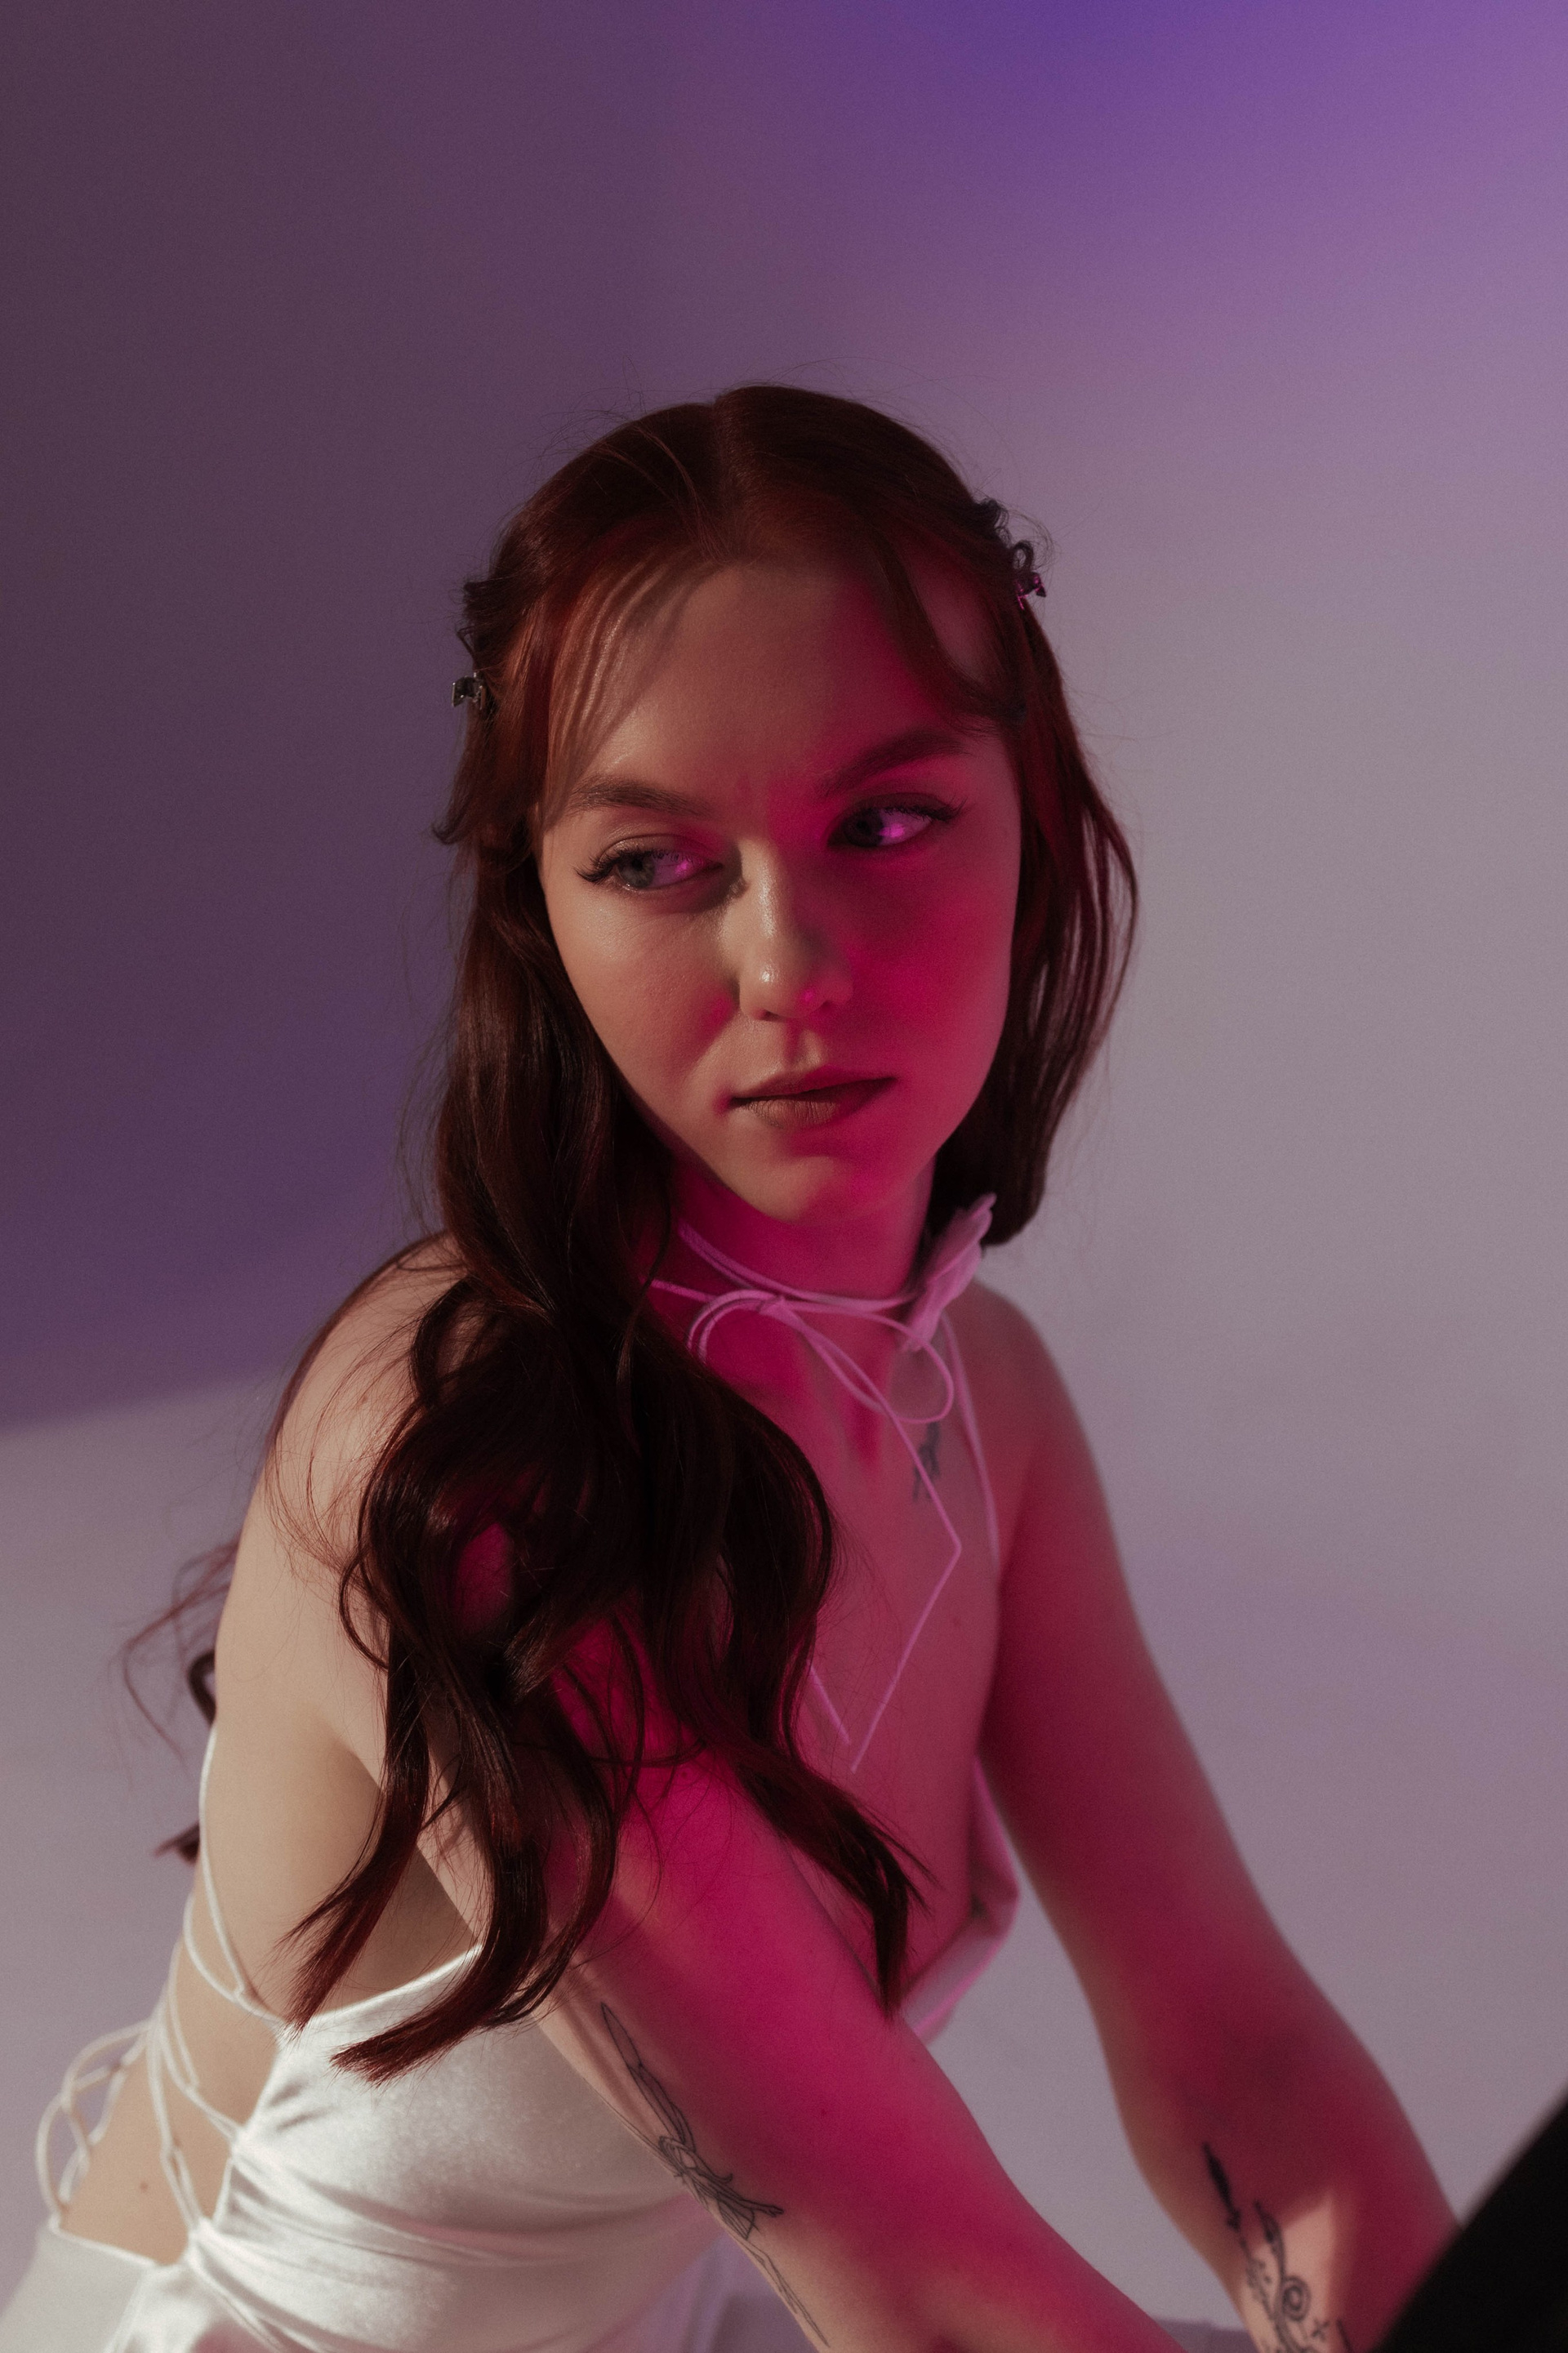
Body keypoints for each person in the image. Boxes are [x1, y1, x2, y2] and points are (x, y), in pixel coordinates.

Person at [2, 386, 1454, 2353]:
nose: (792, 969)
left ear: (1037, 819)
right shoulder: (466, 1474)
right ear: (541, 909)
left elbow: (1237, 2055)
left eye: (886, 822)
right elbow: (909, 2269)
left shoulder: (985, 1409)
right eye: (657, 863)